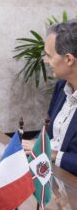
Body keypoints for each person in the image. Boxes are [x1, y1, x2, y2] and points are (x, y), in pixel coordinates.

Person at [23, 20, 77, 176]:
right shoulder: (61, 87)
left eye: (48, 55)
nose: (44, 60)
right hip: (47, 173)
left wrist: (49, 153)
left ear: (68, 59)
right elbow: (49, 136)